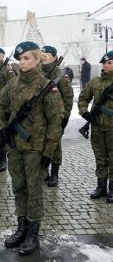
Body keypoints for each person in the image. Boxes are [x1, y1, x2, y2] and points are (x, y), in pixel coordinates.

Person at [0, 41, 63, 256]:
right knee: (18, 188)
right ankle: (21, 227)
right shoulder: (13, 84)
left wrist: (48, 153)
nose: (22, 63)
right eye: (20, 59)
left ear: (37, 60)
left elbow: (55, 122)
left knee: (34, 192)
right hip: (15, 146)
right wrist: (2, 127)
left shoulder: (47, 87)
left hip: (35, 149)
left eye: (27, 59)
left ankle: (33, 232)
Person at [78, 50, 113, 203]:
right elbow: (83, 98)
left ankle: (112, 189)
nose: (106, 65)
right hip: (97, 127)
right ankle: (101, 187)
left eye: (109, 63)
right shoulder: (95, 82)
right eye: (104, 63)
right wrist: (85, 113)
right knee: (100, 158)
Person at [41, 46, 74, 187]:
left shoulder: (60, 75)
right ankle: (43, 172)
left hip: (55, 117)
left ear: (54, 57)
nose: (44, 57)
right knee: (40, 144)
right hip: (39, 117)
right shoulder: (37, 72)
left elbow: (68, 97)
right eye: (42, 54)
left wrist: (64, 117)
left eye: (47, 55)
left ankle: (54, 173)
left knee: (55, 146)